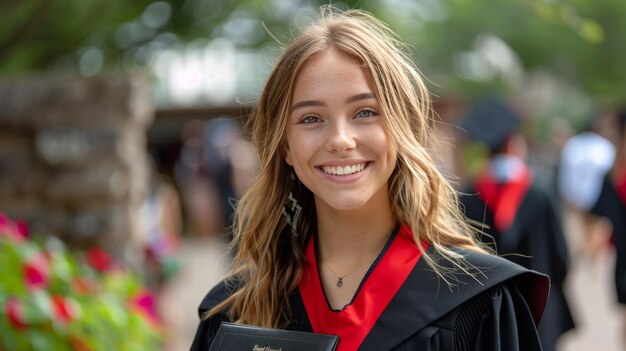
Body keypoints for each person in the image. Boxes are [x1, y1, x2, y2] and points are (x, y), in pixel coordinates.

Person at [191, 6, 549, 351]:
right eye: (311, 118)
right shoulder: (236, 312)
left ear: (401, 128)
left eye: (365, 112)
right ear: (285, 146)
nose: (341, 140)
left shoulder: (478, 303)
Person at [458, 96, 575, 351]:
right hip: (539, 309)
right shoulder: (539, 193)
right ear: (513, 143)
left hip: (486, 310)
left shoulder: (467, 196)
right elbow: (560, 257)